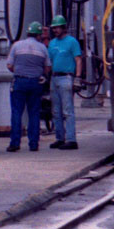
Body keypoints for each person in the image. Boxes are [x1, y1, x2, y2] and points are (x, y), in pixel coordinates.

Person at [5, 21, 51, 152]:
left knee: (16, 112)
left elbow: (9, 65)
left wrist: (20, 72)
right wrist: (38, 73)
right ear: (38, 35)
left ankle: (14, 143)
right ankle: (33, 144)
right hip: (35, 83)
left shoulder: (17, 45)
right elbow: (47, 67)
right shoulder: (42, 48)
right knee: (34, 113)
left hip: (19, 81)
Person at [47, 15, 82, 150]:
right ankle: (60, 138)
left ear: (63, 28)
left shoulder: (72, 42)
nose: (55, 30)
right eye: (53, 28)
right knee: (56, 111)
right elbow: (49, 61)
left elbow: (78, 59)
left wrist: (77, 77)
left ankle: (71, 140)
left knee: (67, 111)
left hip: (66, 78)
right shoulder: (52, 43)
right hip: (54, 78)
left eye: (57, 28)